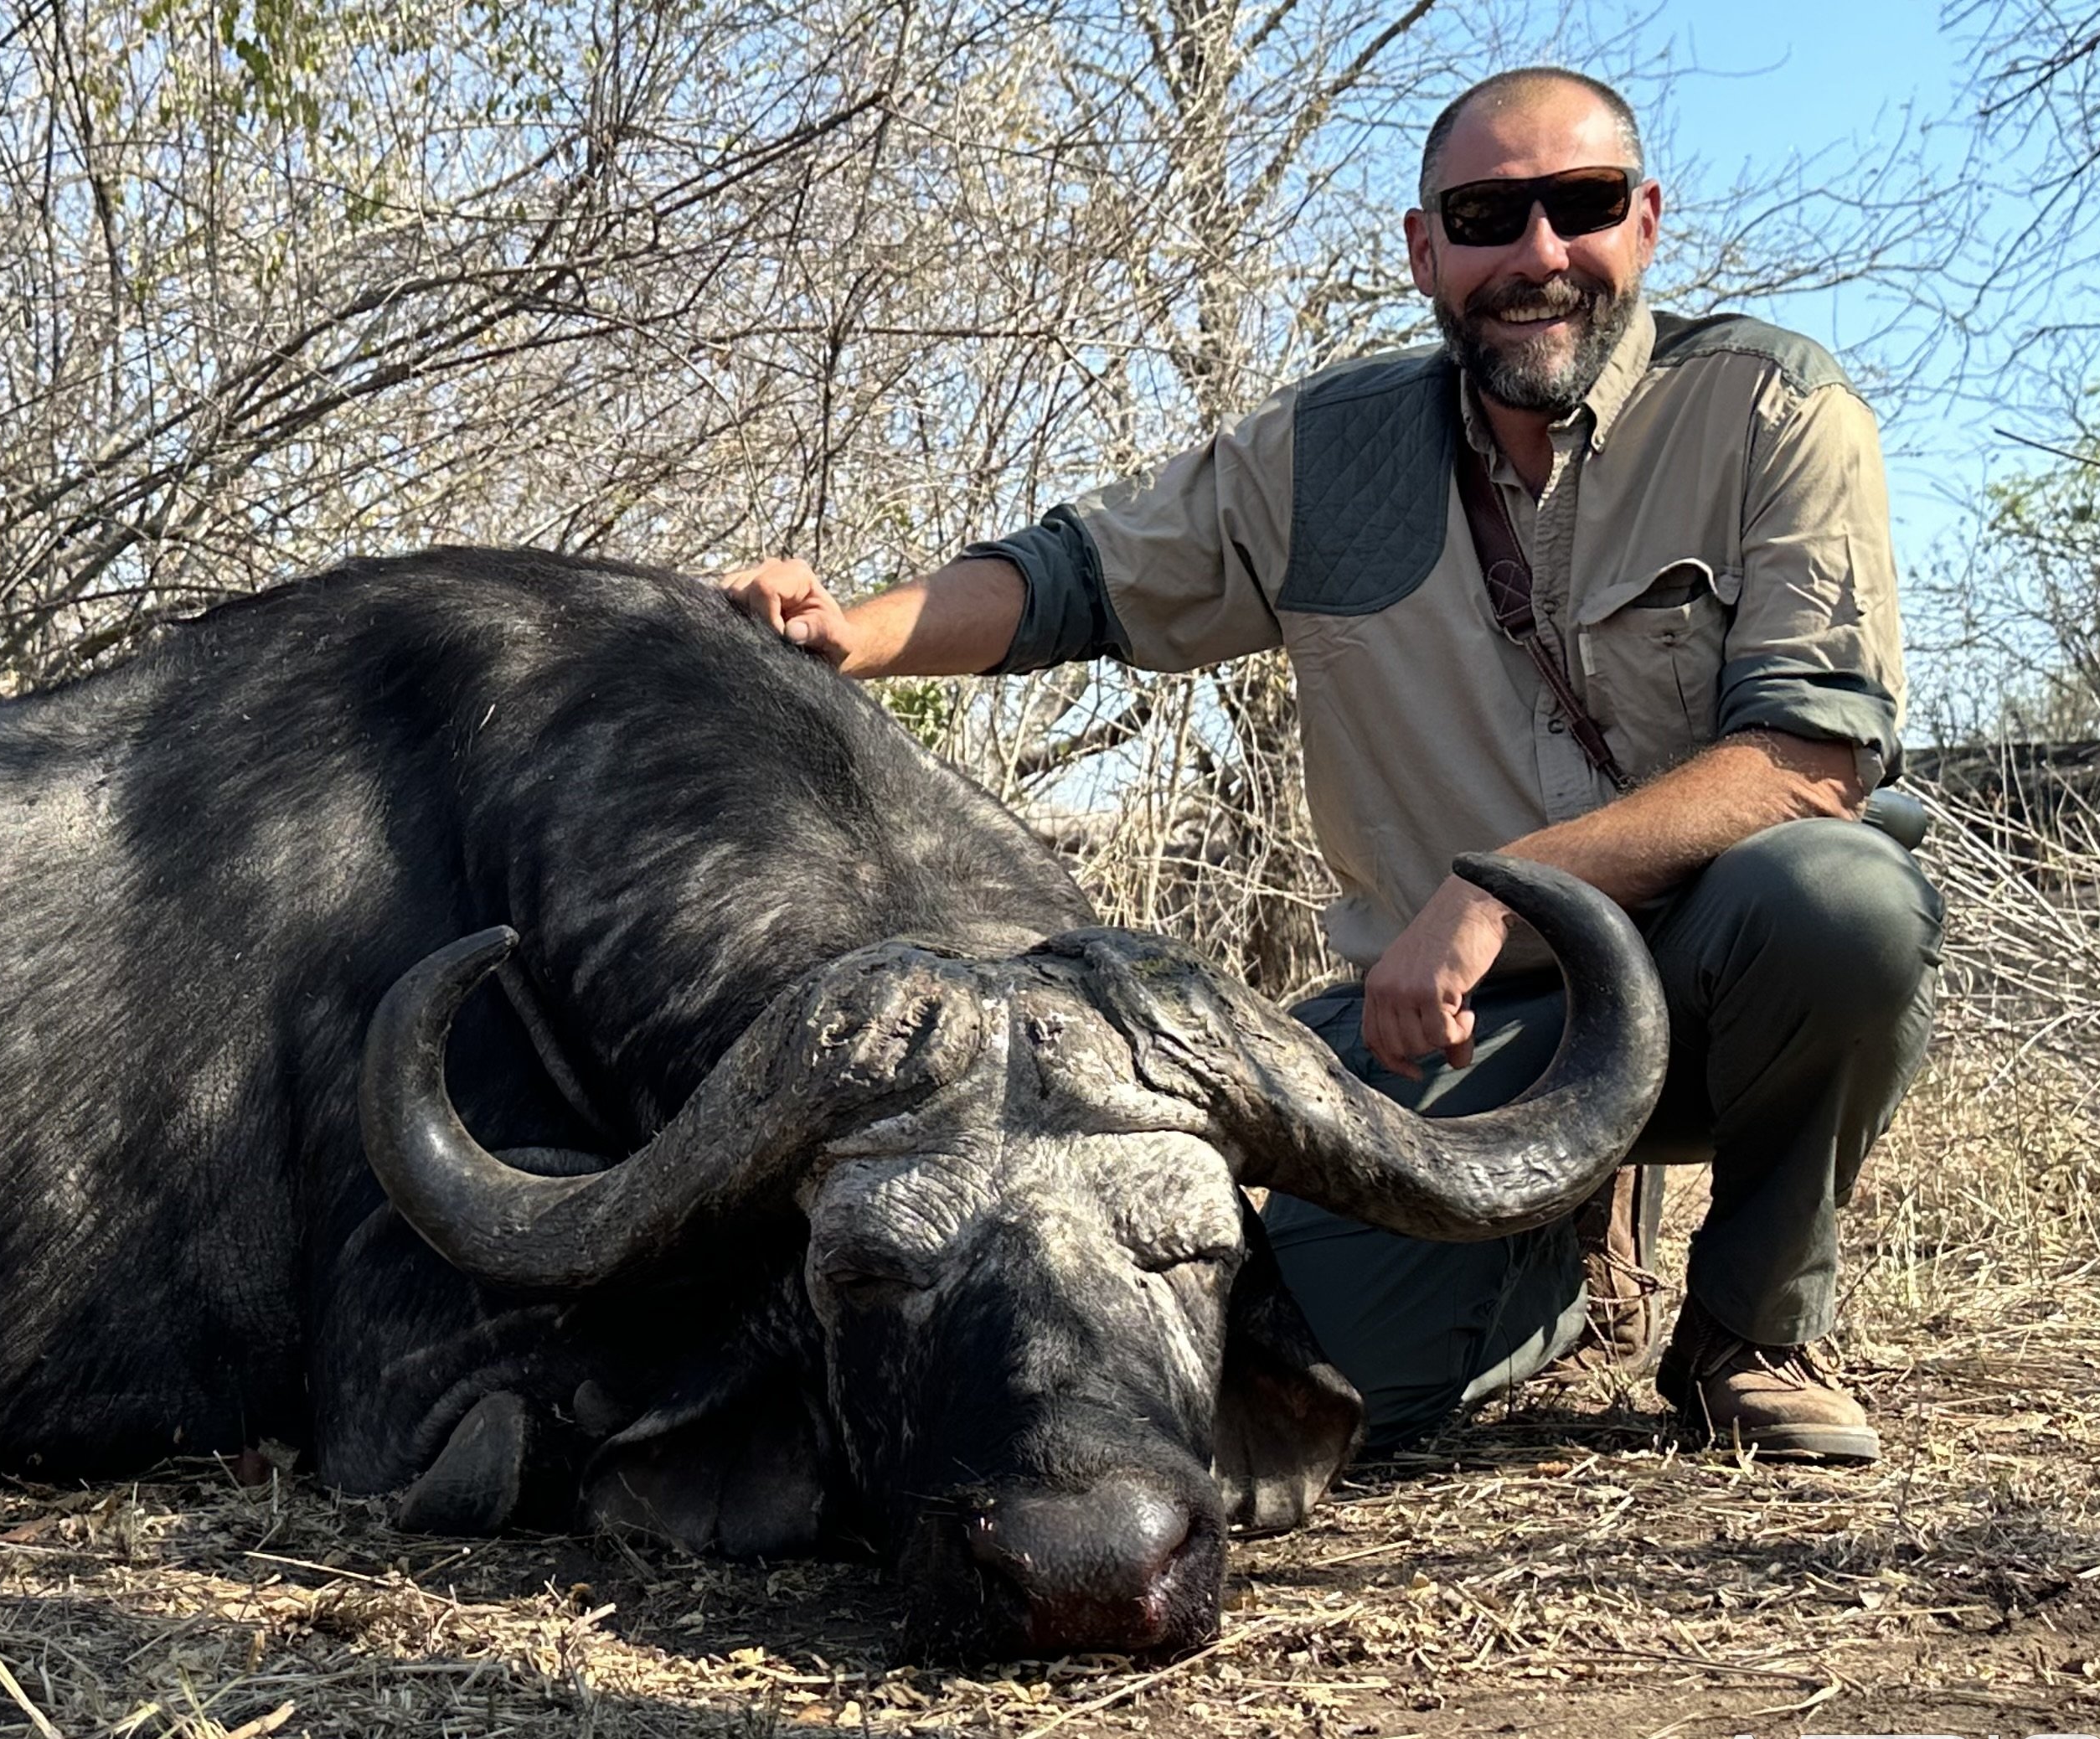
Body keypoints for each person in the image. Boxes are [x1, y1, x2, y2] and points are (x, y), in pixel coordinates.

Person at [721, 66, 1939, 1463]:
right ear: (1424, 251)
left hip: (1723, 985)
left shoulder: (1773, 408)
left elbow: (1810, 759)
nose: (1538, 254)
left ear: (1645, 222)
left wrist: (1500, 890)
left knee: (1841, 900)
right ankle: (1560, 1249)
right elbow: (1081, 579)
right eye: (1487, 215)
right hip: (1460, 1029)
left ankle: (1750, 1325)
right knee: (1314, 1396)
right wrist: (844, 637)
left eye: (1581, 206)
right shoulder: (1327, 451)